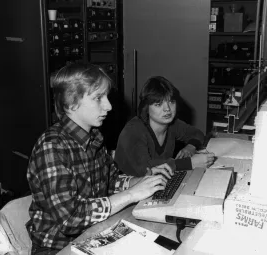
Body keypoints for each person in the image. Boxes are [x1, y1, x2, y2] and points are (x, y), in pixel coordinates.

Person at [26, 64, 173, 255]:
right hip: (57, 248)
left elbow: (110, 182)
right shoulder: (52, 147)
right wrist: (131, 195)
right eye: (98, 98)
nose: (109, 106)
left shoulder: (94, 137)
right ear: (71, 104)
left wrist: (139, 182)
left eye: (106, 97)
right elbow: (70, 219)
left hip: (93, 233)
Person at [115, 76, 215, 177]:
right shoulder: (133, 130)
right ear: (146, 107)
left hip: (157, 180)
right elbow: (146, 169)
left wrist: (191, 147)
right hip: (128, 185)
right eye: (158, 104)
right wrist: (190, 163)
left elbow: (196, 133)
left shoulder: (172, 124)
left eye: (171, 102)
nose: (167, 109)